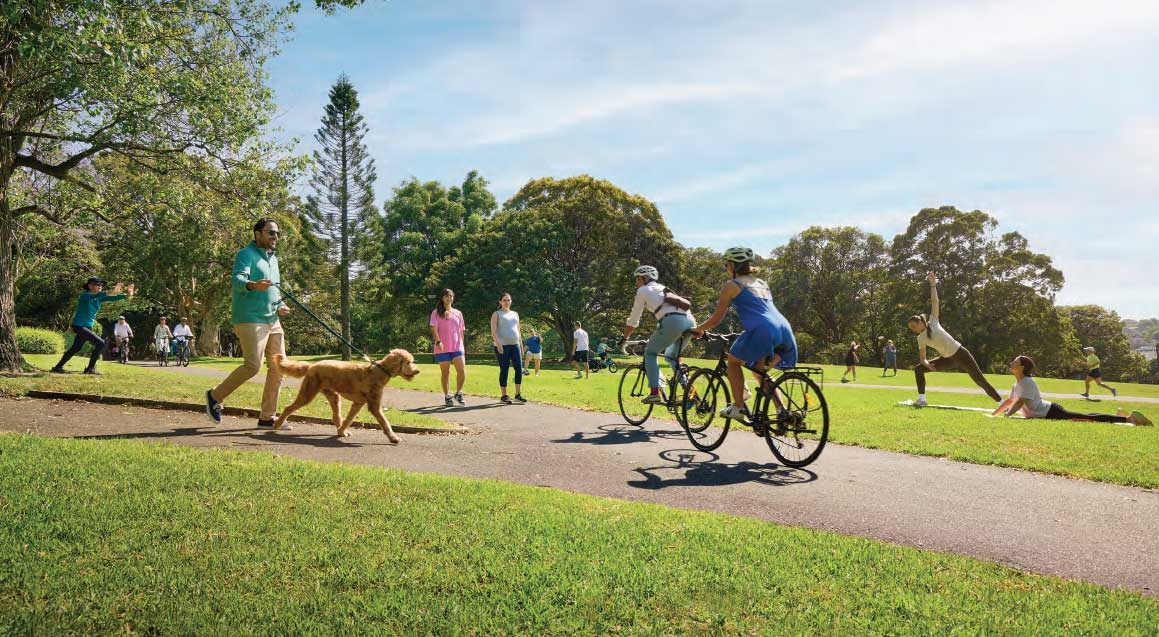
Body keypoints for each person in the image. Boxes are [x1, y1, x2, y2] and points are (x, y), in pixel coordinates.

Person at [204, 218, 292, 430]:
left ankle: (267, 417)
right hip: (250, 318)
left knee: (279, 367)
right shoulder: (246, 254)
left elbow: (275, 290)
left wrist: (280, 304)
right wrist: (253, 285)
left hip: (273, 319)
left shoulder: (273, 260)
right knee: (253, 366)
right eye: (271, 232)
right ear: (258, 233)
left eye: (277, 233)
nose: (275, 237)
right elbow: (237, 281)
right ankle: (215, 396)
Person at [692, 247, 798, 420]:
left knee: (733, 362)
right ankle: (782, 411)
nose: (726, 268)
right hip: (784, 328)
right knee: (758, 370)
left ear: (733, 265)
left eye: (726, 264)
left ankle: (739, 407)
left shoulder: (732, 285)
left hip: (763, 329)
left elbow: (717, 318)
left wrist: (699, 328)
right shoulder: (762, 283)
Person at [908, 272, 1001, 406]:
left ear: (920, 322)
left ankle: (1001, 403)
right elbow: (923, 359)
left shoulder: (933, 322)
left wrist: (932, 284)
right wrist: (928, 365)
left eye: (913, 326)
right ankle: (922, 399)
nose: (912, 329)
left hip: (960, 353)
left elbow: (935, 302)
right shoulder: (920, 339)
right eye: (910, 328)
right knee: (918, 369)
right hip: (947, 359)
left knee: (979, 379)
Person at [992, 355, 1151, 426]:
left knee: (1087, 419)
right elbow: (1010, 401)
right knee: (1086, 416)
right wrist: (995, 414)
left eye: (1014, 362)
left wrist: (1007, 415)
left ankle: (1130, 419)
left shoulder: (1026, 382)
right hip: (1049, 410)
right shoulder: (1017, 384)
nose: (1011, 363)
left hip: (1051, 412)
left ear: (1021, 367)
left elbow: (1019, 402)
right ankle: (1120, 416)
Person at [622, 265, 695, 404]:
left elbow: (633, 320)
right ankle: (689, 392)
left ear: (645, 278)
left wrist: (625, 338)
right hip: (690, 322)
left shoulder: (643, 290)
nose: (636, 283)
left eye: (638, 279)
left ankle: (654, 393)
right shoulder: (663, 288)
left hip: (672, 322)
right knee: (671, 357)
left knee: (650, 353)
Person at [51, 277, 134, 374]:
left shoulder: (99, 298)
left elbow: (114, 297)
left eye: (101, 285)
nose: (100, 286)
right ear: (90, 286)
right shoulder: (85, 295)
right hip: (79, 326)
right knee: (101, 343)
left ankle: (58, 367)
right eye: (98, 284)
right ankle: (90, 369)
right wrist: (112, 291)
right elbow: (101, 294)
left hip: (87, 327)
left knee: (75, 348)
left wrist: (127, 295)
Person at [430, 288, 467, 407]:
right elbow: (434, 328)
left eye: (451, 296)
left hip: (457, 346)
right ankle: (447, 396)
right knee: (445, 373)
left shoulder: (458, 313)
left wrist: (462, 344)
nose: (449, 298)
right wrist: (438, 341)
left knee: (461, 370)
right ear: (442, 298)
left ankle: (459, 393)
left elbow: (461, 330)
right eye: (446, 296)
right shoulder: (436, 312)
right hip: (442, 347)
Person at [490, 292, 527, 404]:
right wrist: (498, 344)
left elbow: (518, 331)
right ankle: (504, 395)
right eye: (504, 300)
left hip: (515, 345)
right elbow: (493, 332)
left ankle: (518, 395)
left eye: (508, 300)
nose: (507, 302)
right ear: (500, 302)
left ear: (511, 301)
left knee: (519, 369)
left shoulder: (515, 314)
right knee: (504, 369)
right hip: (502, 346)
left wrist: (521, 346)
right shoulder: (497, 314)